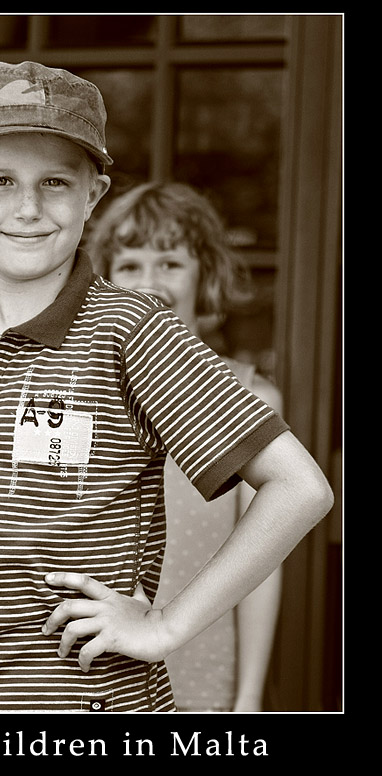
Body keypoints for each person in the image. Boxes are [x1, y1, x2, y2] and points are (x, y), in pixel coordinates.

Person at [0, 61, 333, 713]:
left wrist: (165, 626)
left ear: (93, 195)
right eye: (0, 180)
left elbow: (300, 488)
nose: (28, 208)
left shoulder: (132, 328)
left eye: (55, 182)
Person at [86, 182, 283, 711]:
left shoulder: (248, 396)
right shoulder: (83, 394)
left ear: (205, 275)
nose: (149, 282)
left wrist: (248, 697)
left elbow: (263, 566)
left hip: (201, 668)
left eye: (170, 263)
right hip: (89, 673)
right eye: (130, 265)